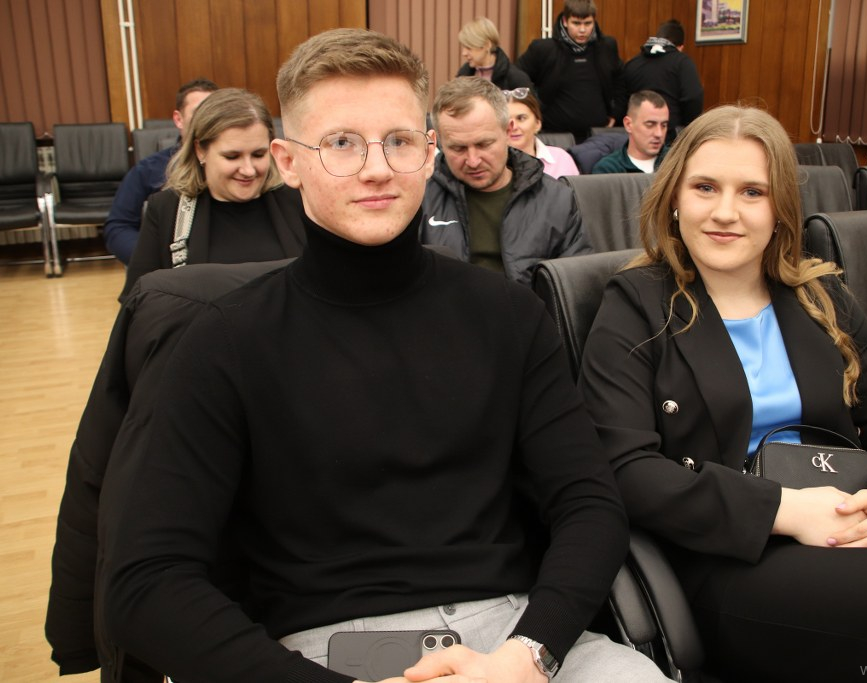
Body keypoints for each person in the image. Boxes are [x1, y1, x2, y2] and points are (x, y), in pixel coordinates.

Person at [101, 27, 671, 683]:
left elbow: (589, 504)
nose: (376, 168)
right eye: (341, 143)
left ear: (428, 154)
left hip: (514, 634)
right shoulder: (220, 341)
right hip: (324, 652)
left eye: (398, 141)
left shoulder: (509, 314)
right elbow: (145, 581)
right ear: (288, 162)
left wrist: (529, 654)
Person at [578, 104, 867, 682]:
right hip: (728, 556)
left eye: (752, 192)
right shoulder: (635, 305)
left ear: (780, 208)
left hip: (848, 527)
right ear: (674, 198)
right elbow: (622, 469)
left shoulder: (821, 297)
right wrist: (786, 511)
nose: (725, 212)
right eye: (705, 187)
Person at [119, 87, 306, 300]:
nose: (248, 170)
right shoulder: (167, 210)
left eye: (258, 154)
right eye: (232, 156)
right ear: (200, 151)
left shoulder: (299, 200)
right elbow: (137, 301)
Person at [421, 77, 590, 285]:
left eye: (484, 144)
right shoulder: (419, 197)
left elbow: (576, 285)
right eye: (458, 148)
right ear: (438, 142)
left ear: (508, 131)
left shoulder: (557, 200)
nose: (473, 161)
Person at [103, 78, 219, 264]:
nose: (207, 119)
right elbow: (119, 227)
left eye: (213, 112)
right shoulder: (148, 170)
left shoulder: (238, 168)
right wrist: (150, 260)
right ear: (178, 119)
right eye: (198, 112)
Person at [516, 0, 625, 142]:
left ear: (594, 21)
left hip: (598, 135)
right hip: (555, 135)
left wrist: (616, 114)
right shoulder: (543, 49)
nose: (582, 30)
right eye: (576, 23)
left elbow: (621, 81)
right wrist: (534, 111)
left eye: (588, 23)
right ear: (565, 21)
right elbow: (518, 77)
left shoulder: (607, 46)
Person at [623, 19, 703, 130]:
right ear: (680, 47)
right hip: (672, 132)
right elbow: (693, 97)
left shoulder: (632, 64)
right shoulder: (682, 62)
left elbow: (623, 100)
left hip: (637, 132)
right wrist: (689, 127)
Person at [505, 87, 579, 179]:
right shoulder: (491, 164)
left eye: (521, 118)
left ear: (537, 124)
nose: (514, 126)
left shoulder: (561, 159)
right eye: (505, 120)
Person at [592, 91, 669, 174]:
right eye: (650, 125)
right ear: (628, 124)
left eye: (664, 125)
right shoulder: (608, 169)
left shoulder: (677, 162)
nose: (659, 133)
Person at [455, 16, 533, 92]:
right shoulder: (463, 75)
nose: (464, 53)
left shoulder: (516, 78)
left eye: (469, 47)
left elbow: (530, 100)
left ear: (487, 45)